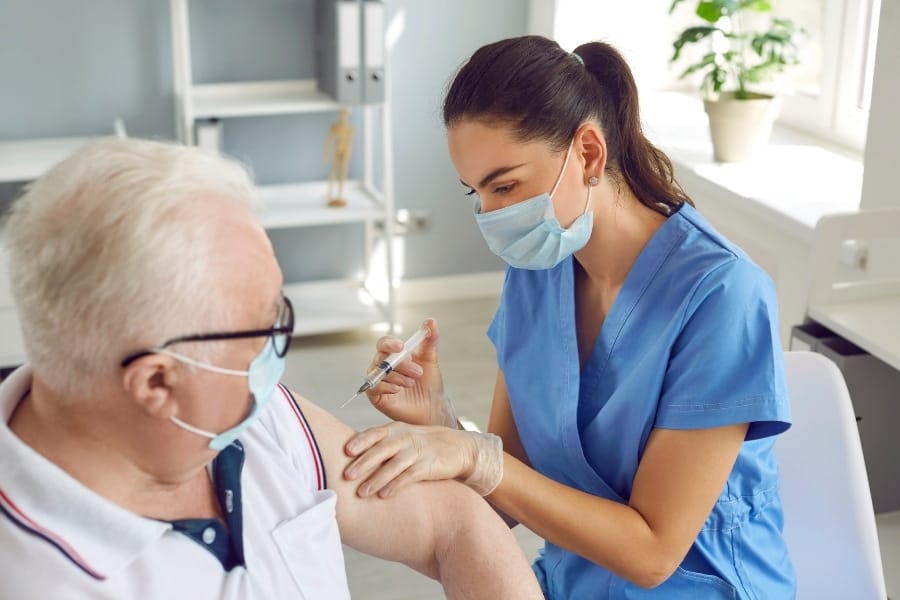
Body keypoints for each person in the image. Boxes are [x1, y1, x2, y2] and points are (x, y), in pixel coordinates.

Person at [342, 36, 796, 598]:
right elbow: (506, 492)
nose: (492, 215)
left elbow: (653, 552)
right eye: (477, 193)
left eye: (506, 185)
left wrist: (474, 457)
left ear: (587, 153)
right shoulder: (538, 270)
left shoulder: (721, 296)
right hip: (569, 583)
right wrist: (441, 421)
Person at [0, 137, 543, 599]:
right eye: (264, 329)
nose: (273, 354)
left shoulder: (242, 414)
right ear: (157, 382)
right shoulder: (39, 577)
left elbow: (455, 524)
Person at [324, 107, 354, 207]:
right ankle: (330, 192)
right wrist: (326, 154)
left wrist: (348, 152)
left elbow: (350, 142)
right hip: (337, 150)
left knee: (343, 172)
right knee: (334, 170)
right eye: (341, 114)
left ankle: (340, 195)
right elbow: (329, 141)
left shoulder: (349, 129)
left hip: (345, 151)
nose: (343, 117)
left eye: (345, 115)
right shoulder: (335, 127)